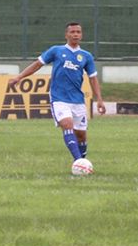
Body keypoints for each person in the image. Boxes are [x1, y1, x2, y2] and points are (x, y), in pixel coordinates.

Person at [8, 22, 106, 163]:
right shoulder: (56, 51)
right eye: (72, 32)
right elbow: (37, 64)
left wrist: (100, 100)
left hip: (77, 100)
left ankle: (82, 162)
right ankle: (78, 161)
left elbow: (93, 78)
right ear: (66, 34)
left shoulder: (86, 56)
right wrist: (19, 77)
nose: (75, 34)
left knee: (81, 136)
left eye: (78, 32)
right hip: (59, 98)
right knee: (67, 124)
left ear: (81, 35)